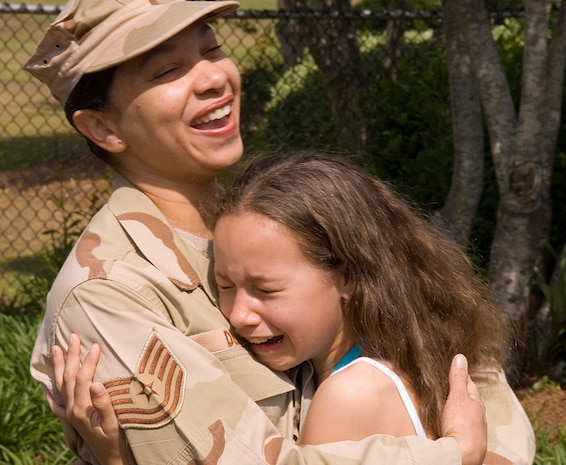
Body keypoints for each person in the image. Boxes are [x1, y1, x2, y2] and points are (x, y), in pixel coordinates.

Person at [22, 0, 505, 462]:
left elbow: (466, 370)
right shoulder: (108, 295)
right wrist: (452, 454)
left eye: (212, 50)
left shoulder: (276, 216)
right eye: (167, 71)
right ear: (104, 128)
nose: (214, 78)